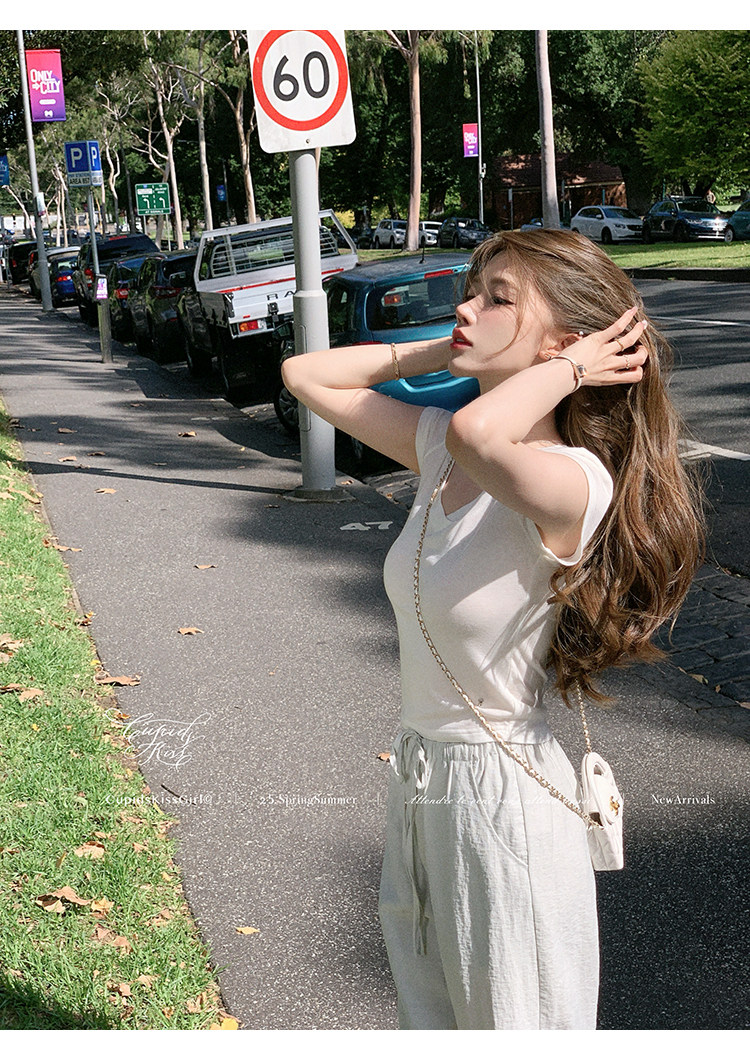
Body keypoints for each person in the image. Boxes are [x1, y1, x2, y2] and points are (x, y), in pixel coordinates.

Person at [281, 229, 704, 1030]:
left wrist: (568, 370)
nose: (467, 308)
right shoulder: (440, 452)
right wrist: (445, 349)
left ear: (564, 347)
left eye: (497, 299)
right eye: (471, 294)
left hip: (503, 803)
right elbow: (305, 374)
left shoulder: (573, 481)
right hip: (420, 785)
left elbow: (482, 434)